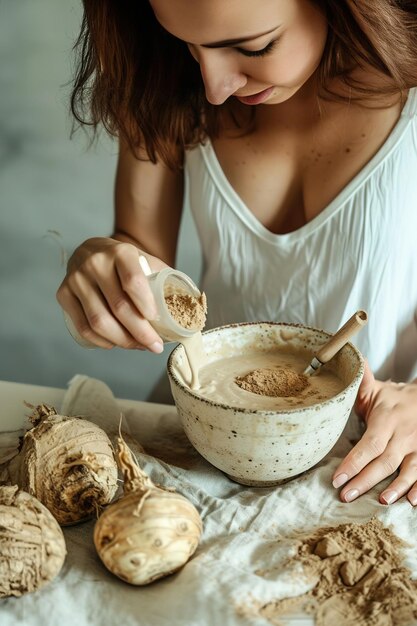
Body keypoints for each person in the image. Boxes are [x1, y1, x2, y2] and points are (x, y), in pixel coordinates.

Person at [57, 0, 417, 507]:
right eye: (190, 47)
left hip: (367, 463)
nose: (215, 87)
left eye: (255, 46)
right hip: (202, 451)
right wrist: (104, 265)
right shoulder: (168, 82)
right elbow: (140, 251)